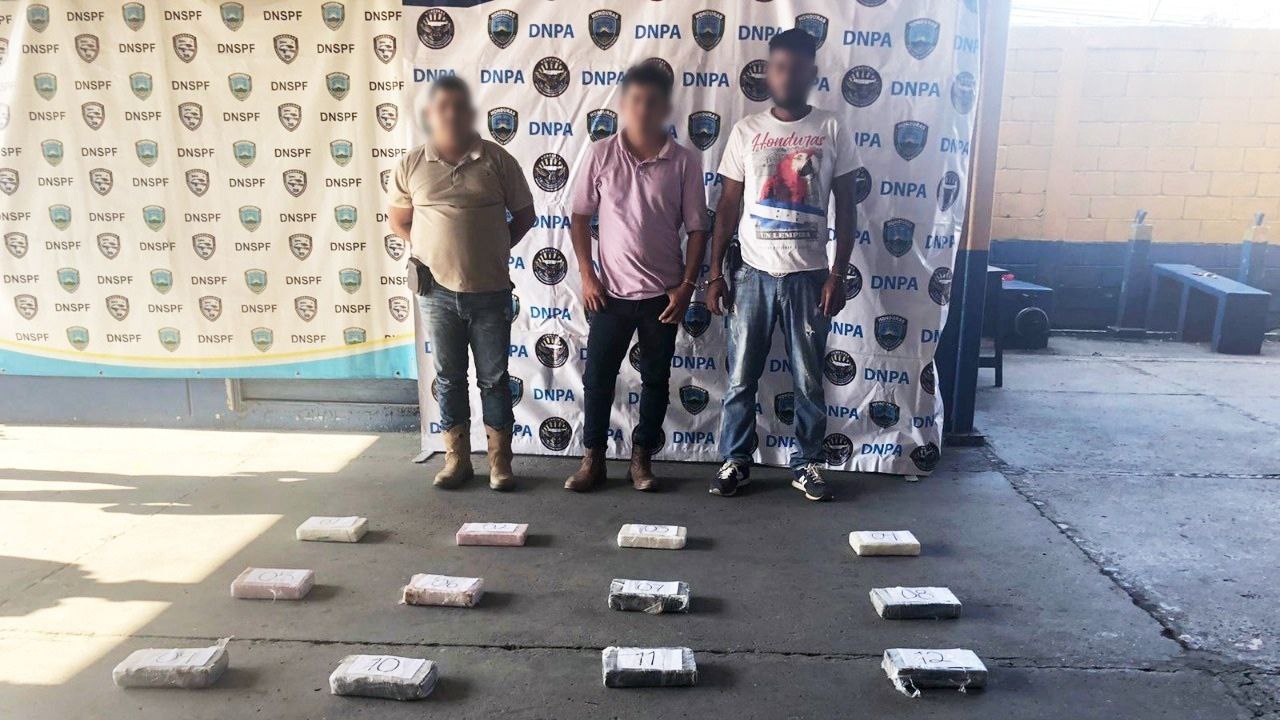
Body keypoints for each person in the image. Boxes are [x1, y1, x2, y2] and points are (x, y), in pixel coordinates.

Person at [704, 29, 858, 502]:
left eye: (797, 68)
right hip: (751, 274)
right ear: (768, 73)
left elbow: (847, 207)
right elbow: (727, 207)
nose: (787, 76)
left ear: (812, 73)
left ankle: (807, 463)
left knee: (808, 379)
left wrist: (837, 274)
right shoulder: (746, 131)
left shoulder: (832, 127)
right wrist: (715, 273)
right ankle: (736, 460)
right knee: (740, 377)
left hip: (810, 277)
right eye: (779, 67)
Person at [387, 76, 537, 491]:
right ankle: (457, 460)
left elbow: (525, 216)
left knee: (494, 379)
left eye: (459, 106)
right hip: (435, 293)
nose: (451, 113)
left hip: (490, 291)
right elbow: (399, 221)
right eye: (443, 106)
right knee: (449, 378)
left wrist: (490, 247)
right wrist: (432, 248)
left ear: (470, 113)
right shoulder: (411, 164)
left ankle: (500, 463)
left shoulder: (497, 159)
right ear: (430, 114)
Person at [564, 63, 709, 492]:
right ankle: (592, 458)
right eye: (634, 101)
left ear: (665, 107)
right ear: (623, 105)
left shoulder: (685, 161)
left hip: (663, 296)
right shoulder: (601, 153)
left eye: (652, 102)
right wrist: (587, 276)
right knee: (597, 379)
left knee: (656, 381)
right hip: (608, 294)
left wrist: (686, 287)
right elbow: (579, 217)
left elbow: (698, 229)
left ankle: (641, 459)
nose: (642, 109)